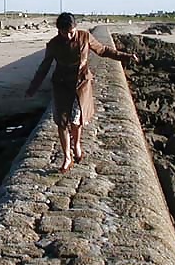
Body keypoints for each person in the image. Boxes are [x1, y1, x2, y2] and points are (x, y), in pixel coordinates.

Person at [26, 12, 138, 173]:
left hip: (81, 83)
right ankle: (67, 158)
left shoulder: (85, 37)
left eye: (72, 31)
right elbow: (44, 68)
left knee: (76, 120)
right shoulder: (53, 44)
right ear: (59, 30)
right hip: (62, 85)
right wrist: (33, 88)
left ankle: (77, 144)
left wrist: (125, 56)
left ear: (76, 27)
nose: (69, 35)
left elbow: (103, 50)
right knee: (62, 122)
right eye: (65, 32)